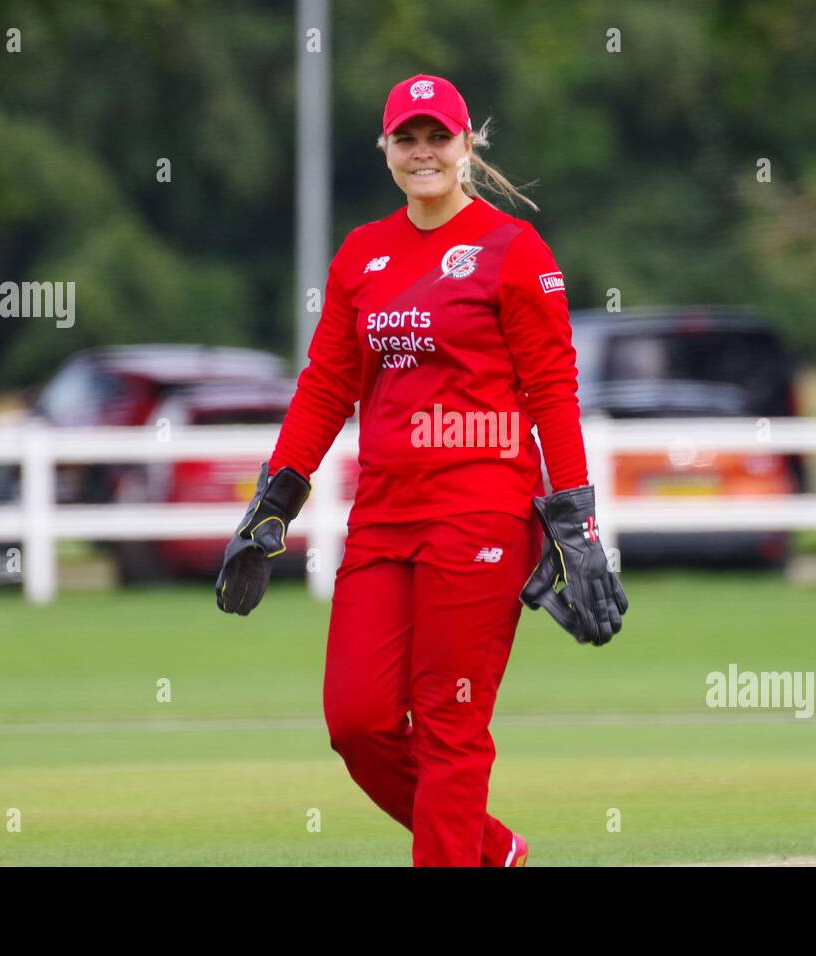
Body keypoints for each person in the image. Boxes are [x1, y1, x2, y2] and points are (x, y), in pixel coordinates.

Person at [215, 73, 626, 867]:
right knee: (358, 721)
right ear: (387, 150)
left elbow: (552, 389)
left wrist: (574, 521)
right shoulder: (362, 255)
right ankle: (492, 851)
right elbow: (327, 386)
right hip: (383, 517)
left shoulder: (514, 251)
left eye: (439, 137)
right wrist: (275, 501)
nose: (424, 152)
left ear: (467, 145)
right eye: (408, 138)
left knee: (449, 724)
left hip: (482, 514)